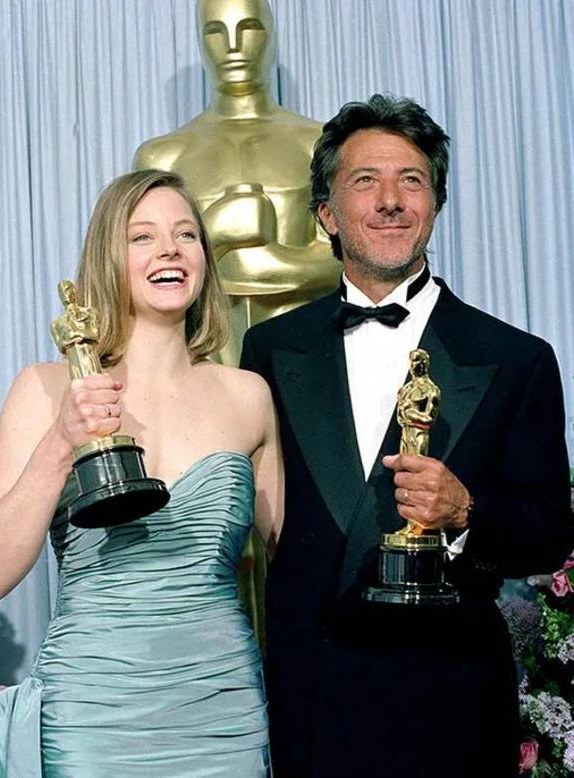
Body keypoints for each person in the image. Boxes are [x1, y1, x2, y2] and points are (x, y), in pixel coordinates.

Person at [240, 94, 574, 777]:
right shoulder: (270, 349)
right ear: (328, 213)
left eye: (411, 180)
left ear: (435, 204)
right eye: (366, 181)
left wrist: (466, 513)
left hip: (449, 708)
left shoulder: (516, 358)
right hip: (313, 702)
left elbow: (548, 533)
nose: (390, 200)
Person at [0, 169, 282, 777]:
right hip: (93, 715)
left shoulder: (247, 395)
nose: (169, 249)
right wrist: (62, 439)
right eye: (142, 237)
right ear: (108, 258)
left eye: (185, 234)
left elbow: (297, 557)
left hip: (223, 712)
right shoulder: (45, 388)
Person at [133, 0, 339, 365]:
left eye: (249, 28)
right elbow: (138, 268)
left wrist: (265, 263)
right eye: (215, 32)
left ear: (271, 36)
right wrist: (217, 233)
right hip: (203, 359)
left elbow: (350, 260)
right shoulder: (161, 156)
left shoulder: (319, 142)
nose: (232, 46)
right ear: (200, 42)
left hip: (307, 353)